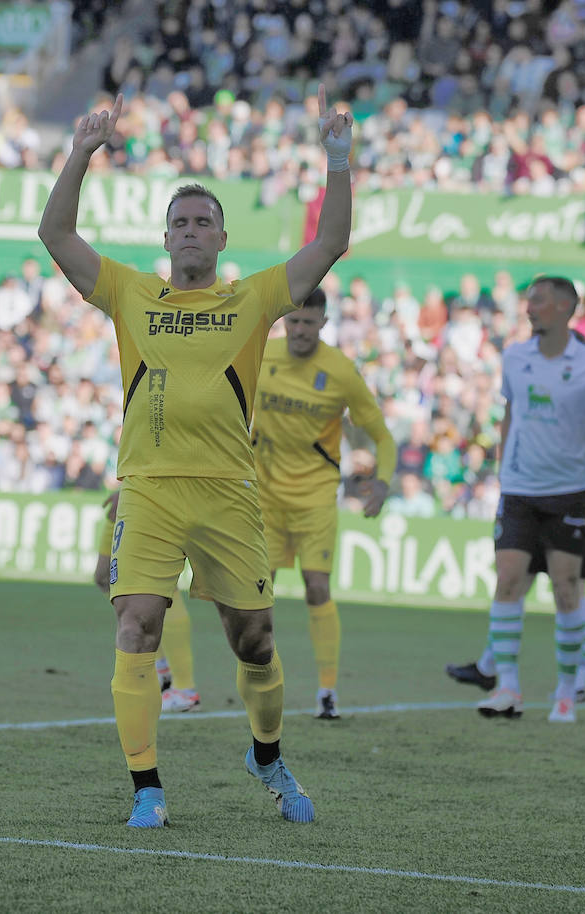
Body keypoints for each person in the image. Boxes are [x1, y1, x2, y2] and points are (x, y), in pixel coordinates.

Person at [37, 87, 352, 827]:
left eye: (202, 222)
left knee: (256, 640)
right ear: (167, 236)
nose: (189, 231)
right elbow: (55, 234)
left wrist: (338, 160)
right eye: (179, 221)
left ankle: (267, 757)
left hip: (229, 492)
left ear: (219, 238)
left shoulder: (254, 297)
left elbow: (331, 242)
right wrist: (81, 152)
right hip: (148, 489)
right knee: (136, 624)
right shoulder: (129, 293)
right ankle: (147, 787)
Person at [463, 277, 585, 724]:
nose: (529, 307)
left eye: (539, 300)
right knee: (508, 580)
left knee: (566, 588)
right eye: (528, 299)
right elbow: (511, 414)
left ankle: (568, 689)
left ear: (566, 309)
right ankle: (507, 686)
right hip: (518, 490)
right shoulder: (514, 357)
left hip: (570, 492)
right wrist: (502, 471)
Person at [253, 288, 393, 720]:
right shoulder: (260, 356)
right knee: (257, 595)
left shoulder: (339, 371)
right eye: (293, 322)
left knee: (317, 587)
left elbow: (381, 436)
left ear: (323, 324)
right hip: (263, 496)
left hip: (314, 498)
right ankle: (260, 681)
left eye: (308, 323)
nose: (299, 330)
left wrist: (382, 483)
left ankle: (327, 691)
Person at [94, 491, 200, 712]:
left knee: (163, 584)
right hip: (130, 492)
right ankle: (161, 668)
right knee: (104, 576)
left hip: (156, 495)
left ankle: (185, 689)